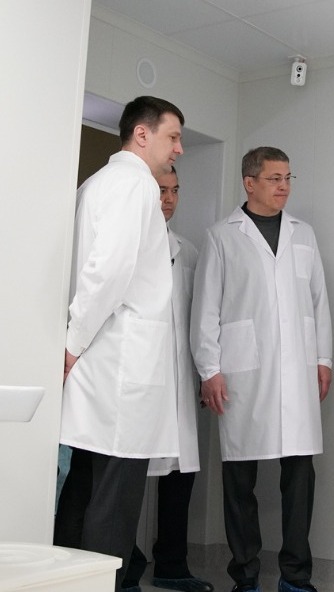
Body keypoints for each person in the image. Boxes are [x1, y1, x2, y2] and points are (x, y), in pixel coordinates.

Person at [56, 96, 185, 590]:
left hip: (104, 364)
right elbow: (107, 271)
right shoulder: (135, 185)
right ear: (142, 134)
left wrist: (76, 343)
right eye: (173, 137)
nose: (178, 149)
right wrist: (74, 343)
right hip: (121, 365)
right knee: (113, 502)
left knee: (84, 489)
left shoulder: (96, 183)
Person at [192, 147, 333, 592]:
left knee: (300, 479)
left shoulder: (303, 235)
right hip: (242, 373)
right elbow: (206, 309)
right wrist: (209, 369)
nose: (284, 186)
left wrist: (323, 359)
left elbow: (319, 303)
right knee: (239, 479)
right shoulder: (221, 236)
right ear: (249, 182)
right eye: (274, 178)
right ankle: (246, 576)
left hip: (298, 370)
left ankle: (296, 577)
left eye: (288, 178)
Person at [122, 167, 213, 592]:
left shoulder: (188, 251)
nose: (170, 198)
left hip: (178, 380)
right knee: (125, 479)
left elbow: (199, 318)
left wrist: (203, 372)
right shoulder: (128, 245)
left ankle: (172, 565)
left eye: (175, 190)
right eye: (162, 190)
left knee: (180, 476)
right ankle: (124, 568)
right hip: (137, 379)